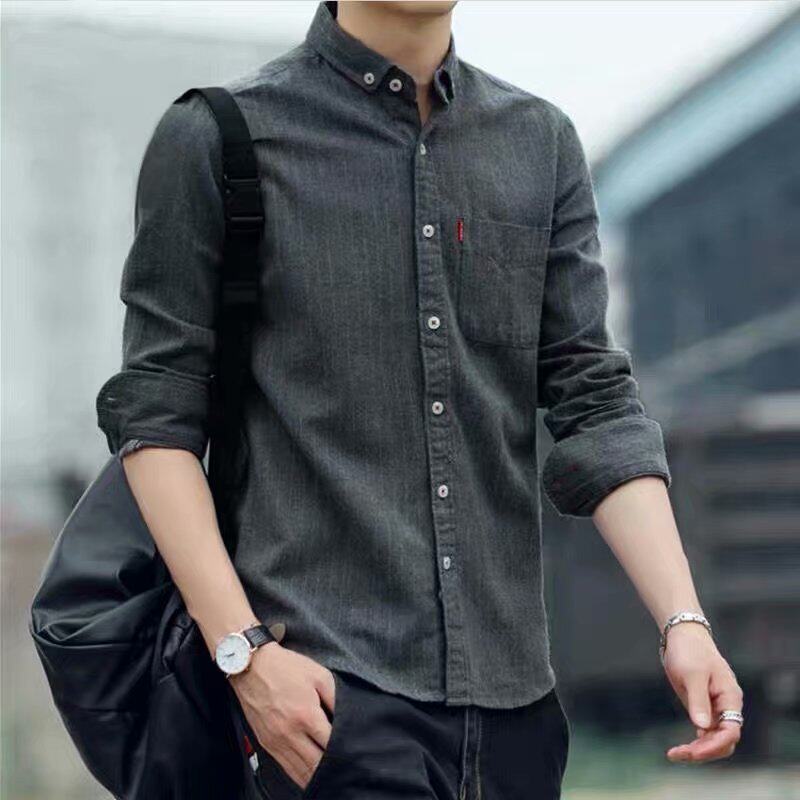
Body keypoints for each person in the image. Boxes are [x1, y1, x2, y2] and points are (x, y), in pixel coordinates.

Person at [95, 2, 744, 797]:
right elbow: (156, 422)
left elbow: (595, 401)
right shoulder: (219, 138)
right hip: (322, 695)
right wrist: (247, 656)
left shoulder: (539, 143)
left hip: (515, 710)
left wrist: (683, 621)